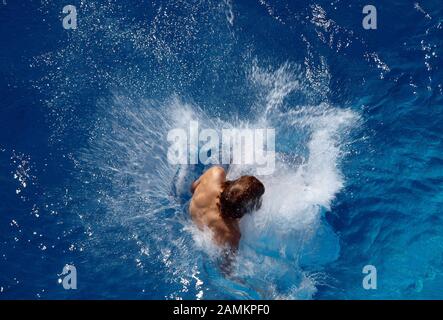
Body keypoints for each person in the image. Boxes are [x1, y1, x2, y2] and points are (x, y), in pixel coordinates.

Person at [189, 166, 265, 252]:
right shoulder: (232, 234)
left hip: (192, 215)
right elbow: (226, 264)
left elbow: (193, 188)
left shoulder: (215, 173)